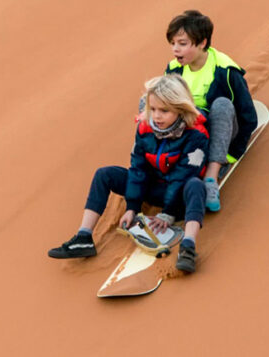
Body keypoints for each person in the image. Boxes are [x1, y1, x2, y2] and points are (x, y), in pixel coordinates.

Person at [48, 74, 209, 273]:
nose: (157, 116)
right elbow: (138, 168)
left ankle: (188, 247)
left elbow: (183, 175)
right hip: (154, 188)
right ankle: (84, 237)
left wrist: (168, 213)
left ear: (181, 109)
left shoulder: (196, 135)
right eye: (154, 109)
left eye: (165, 111)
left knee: (196, 185)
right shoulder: (145, 129)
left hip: (181, 197)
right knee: (104, 174)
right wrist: (132, 206)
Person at [163, 10, 257, 212]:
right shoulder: (174, 69)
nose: (175, 50)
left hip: (218, 132)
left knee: (222, 104)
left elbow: (248, 117)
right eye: (173, 43)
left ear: (202, 43)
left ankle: (211, 178)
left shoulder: (226, 70)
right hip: (190, 130)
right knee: (151, 100)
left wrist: (230, 155)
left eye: (182, 44)